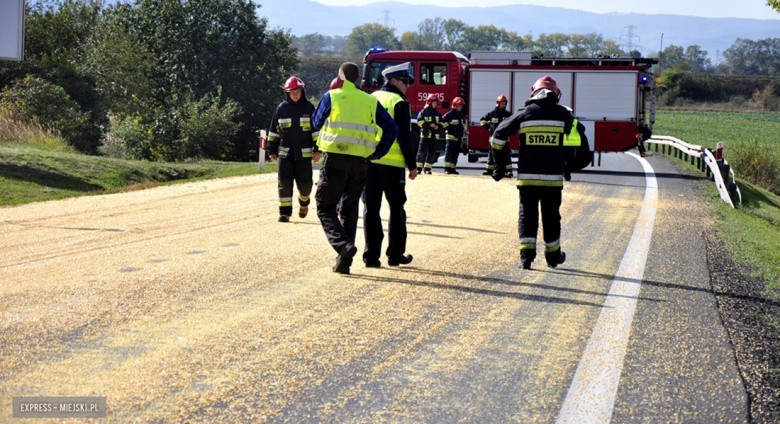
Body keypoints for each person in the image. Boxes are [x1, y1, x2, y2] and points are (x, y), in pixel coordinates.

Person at [490, 75, 589, 270]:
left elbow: (498, 136)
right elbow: (578, 141)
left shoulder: (524, 113)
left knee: (527, 215)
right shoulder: (564, 115)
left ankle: (526, 257)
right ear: (556, 94)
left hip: (527, 179)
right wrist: (569, 166)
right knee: (551, 216)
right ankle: (553, 257)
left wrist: (500, 166)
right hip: (552, 180)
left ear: (534, 92)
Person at [312, 62, 398, 275]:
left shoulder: (332, 96)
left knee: (325, 207)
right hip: (360, 163)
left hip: (335, 160)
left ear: (340, 77)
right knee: (349, 212)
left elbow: (315, 123)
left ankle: (342, 246)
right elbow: (391, 128)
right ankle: (344, 263)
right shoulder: (370, 101)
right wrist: (377, 153)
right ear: (359, 78)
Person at [362, 62, 418, 268]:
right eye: (404, 81)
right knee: (396, 209)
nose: (407, 86)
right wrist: (412, 165)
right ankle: (395, 255)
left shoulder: (371, 98)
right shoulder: (398, 101)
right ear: (393, 80)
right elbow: (404, 136)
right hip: (393, 166)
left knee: (371, 209)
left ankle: (371, 257)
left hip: (370, 161)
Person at [266, 76, 320, 222]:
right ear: (287, 93)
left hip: (304, 155)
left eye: (297, 91)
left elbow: (316, 132)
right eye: (292, 91)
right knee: (284, 184)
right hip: (285, 154)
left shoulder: (309, 109)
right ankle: (284, 213)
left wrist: (317, 150)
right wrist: (271, 150)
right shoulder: (281, 109)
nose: (295, 94)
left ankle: (304, 202)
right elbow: (273, 131)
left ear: (302, 92)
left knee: (305, 185)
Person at [480, 94, 513, 177]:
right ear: (498, 103)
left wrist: (509, 131)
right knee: (491, 155)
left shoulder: (508, 115)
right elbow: (482, 121)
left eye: (504, 104)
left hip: (504, 139)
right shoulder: (492, 114)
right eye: (502, 103)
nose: (503, 105)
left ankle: (508, 171)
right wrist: (488, 128)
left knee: (506, 155)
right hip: (493, 139)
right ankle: (489, 170)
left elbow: (513, 124)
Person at [415, 94, 443, 175]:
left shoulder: (438, 113)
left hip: (434, 136)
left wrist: (438, 126)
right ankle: (419, 168)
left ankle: (427, 169)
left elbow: (442, 124)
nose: (435, 104)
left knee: (432, 153)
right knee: (422, 152)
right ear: (430, 102)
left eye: (436, 103)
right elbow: (419, 122)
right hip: (425, 135)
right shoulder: (423, 112)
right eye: (433, 102)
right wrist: (429, 125)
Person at [441, 96, 467, 174]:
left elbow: (463, 125)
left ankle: (452, 168)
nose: (461, 107)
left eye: (461, 106)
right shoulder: (449, 114)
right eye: (460, 106)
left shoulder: (461, 114)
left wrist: (464, 136)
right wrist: (449, 129)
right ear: (455, 105)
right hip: (451, 137)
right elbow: (442, 121)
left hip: (458, 137)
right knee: (449, 153)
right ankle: (447, 169)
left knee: (455, 153)